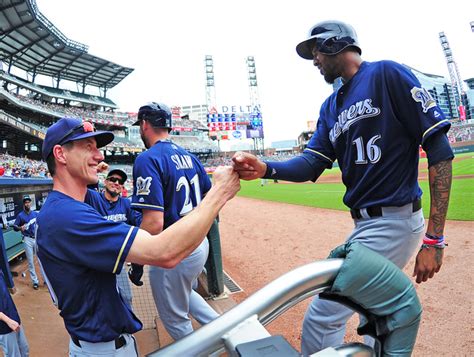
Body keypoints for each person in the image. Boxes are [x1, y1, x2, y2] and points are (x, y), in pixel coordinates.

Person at [232, 20, 453, 355]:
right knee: (377, 314)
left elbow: (440, 150)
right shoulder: (330, 106)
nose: (314, 60)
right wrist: (267, 167)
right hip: (367, 225)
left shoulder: (386, 75)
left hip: (393, 220)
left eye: (316, 51)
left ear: (336, 44)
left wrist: (434, 239)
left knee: (324, 316)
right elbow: (310, 164)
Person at [36, 118, 240, 356]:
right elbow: (164, 253)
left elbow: (103, 199)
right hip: (102, 350)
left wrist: (93, 173)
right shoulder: (66, 216)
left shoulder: (71, 204)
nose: (100, 156)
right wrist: (218, 194)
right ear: (60, 154)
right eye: (88, 147)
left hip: (105, 342)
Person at [129, 102, 220, 341]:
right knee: (185, 294)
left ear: (145, 124)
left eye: (140, 125)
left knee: (175, 320)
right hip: (199, 245)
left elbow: (153, 224)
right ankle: (224, 328)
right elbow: (211, 200)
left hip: (173, 251)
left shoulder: (147, 159)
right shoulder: (190, 157)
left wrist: (136, 261)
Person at [85, 168, 141, 310]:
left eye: (120, 181)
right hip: (96, 261)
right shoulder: (94, 198)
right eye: (113, 179)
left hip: (117, 260)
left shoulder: (126, 204)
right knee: (98, 298)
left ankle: (128, 329)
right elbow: (79, 183)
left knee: (126, 296)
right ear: (105, 181)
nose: (116, 183)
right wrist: (94, 169)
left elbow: (138, 230)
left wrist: (137, 265)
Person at [0, 231, 30, 357]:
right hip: (4, 325)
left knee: (24, 350)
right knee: (13, 355)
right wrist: (8, 321)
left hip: (13, 316)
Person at [13, 197, 41, 290]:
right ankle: (35, 281)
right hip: (27, 239)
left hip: (36, 238)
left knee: (41, 259)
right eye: (26, 202)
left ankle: (45, 279)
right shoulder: (20, 215)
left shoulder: (35, 214)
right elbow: (15, 227)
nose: (27, 204)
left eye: (29, 202)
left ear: (30, 203)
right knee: (31, 262)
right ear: (24, 204)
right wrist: (20, 228)